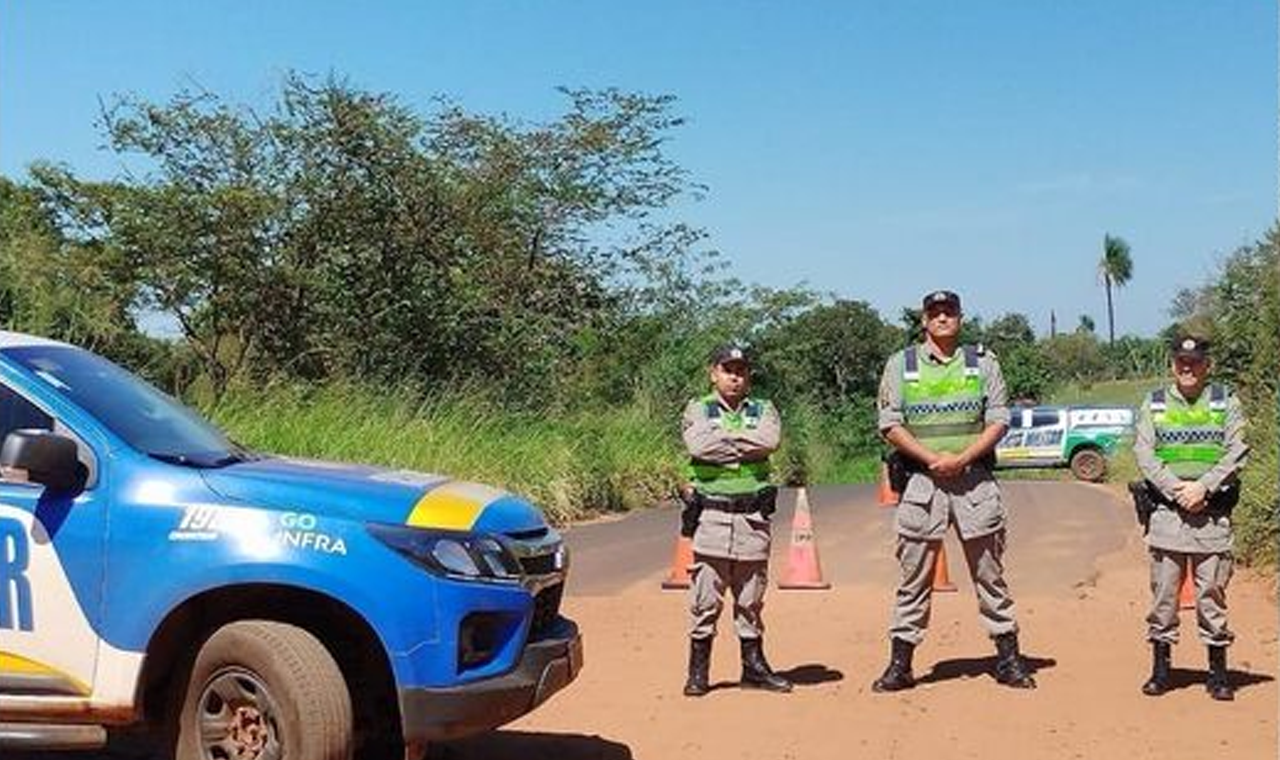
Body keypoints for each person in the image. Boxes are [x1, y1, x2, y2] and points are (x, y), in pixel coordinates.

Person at [872, 289, 1036, 692]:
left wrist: (962, 458)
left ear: (960, 318)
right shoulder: (901, 365)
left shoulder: (982, 363)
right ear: (924, 321)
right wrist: (931, 458)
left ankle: (1008, 659)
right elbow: (889, 423)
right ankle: (901, 664)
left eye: (949, 312)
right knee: (914, 577)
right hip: (923, 484)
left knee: (990, 575)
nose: (942, 318)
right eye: (934, 313)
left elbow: (999, 420)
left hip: (974, 483)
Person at [1131, 335, 1248, 700]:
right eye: (1181, 361)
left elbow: (1237, 450)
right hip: (1168, 514)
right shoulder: (1154, 403)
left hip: (1210, 516)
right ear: (1172, 365)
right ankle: (1162, 669)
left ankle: (1217, 673)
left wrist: (1204, 488)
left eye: (1195, 362)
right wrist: (1176, 489)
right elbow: (1144, 453)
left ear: (1206, 365)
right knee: (1164, 595)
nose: (1187, 368)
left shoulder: (1224, 401)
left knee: (1211, 594)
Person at [678, 344, 791, 697]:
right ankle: (698, 672)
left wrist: (723, 445)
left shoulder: (764, 409)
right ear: (714, 373)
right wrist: (744, 446)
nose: (735, 377)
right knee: (706, 598)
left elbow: (769, 441)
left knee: (751, 597)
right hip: (711, 515)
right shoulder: (698, 408)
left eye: (741, 370)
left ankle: (754, 668)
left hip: (752, 518)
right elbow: (699, 447)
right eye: (728, 369)